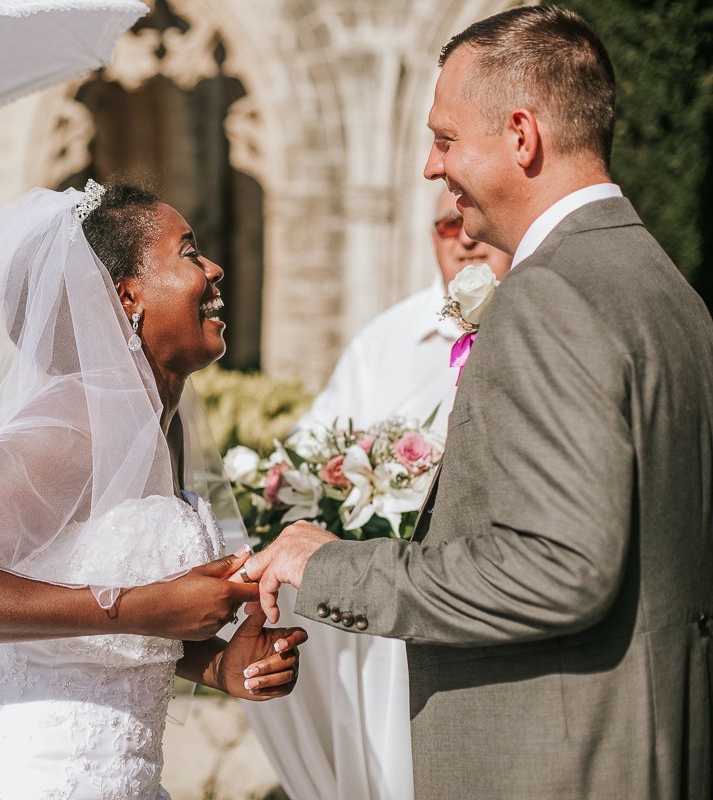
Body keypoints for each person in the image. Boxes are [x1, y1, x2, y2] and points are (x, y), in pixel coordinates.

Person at [241, 6, 713, 798]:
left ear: (521, 136)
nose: (432, 167)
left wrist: (332, 565)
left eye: (446, 138)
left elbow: (561, 569)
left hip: (558, 763)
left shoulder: (551, 294)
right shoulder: (662, 284)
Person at [0, 183, 307, 799]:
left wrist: (216, 662)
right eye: (188, 253)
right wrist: (142, 605)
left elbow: (88, 625)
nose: (214, 268)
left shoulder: (152, 423)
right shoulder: (78, 421)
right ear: (126, 297)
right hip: (37, 773)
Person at [249, 188, 512, 800]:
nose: (463, 238)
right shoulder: (385, 340)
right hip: (387, 602)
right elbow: (312, 452)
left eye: (470, 222)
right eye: (447, 226)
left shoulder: (536, 327)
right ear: (430, 236)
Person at [293, 188, 512, 436]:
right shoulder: (380, 340)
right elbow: (312, 436)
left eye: (478, 220)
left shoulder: (542, 325)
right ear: (434, 239)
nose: (466, 239)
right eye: (451, 225)